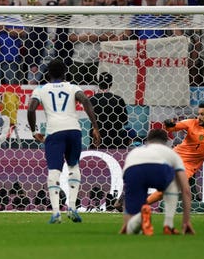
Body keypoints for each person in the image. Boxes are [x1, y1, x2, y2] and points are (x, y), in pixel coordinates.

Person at [27, 58, 101, 224]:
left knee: (54, 171)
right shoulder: (73, 87)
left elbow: (31, 108)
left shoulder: (41, 89)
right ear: (65, 73)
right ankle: (73, 207)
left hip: (54, 132)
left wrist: (34, 131)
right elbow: (86, 101)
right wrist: (95, 127)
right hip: (74, 130)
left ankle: (56, 213)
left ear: (47, 74)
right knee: (74, 166)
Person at [120, 128, 195, 236]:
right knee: (174, 183)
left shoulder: (135, 152)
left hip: (133, 170)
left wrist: (127, 222)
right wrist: (186, 221)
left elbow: (127, 186)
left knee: (131, 230)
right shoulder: (171, 153)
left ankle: (139, 218)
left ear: (148, 141)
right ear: (165, 142)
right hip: (158, 169)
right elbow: (186, 189)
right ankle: (168, 225)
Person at [89, 72, 130, 149]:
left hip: (96, 138)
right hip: (114, 139)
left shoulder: (91, 99)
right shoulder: (118, 99)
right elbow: (125, 121)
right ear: (111, 84)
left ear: (98, 83)